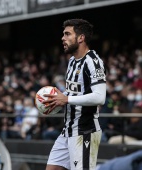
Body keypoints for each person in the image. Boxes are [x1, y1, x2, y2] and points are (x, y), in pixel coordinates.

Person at [43, 19, 106, 170]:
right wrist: (58, 97)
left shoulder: (93, 62)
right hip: (68, 130)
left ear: (81, 38)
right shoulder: (72, 61)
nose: (62, 38)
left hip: (85, 131)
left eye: (67, 34)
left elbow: (100, 97)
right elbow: (74, 92)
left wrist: (66, 99)